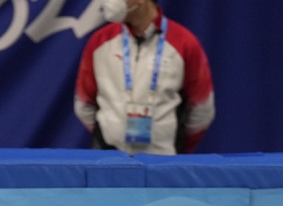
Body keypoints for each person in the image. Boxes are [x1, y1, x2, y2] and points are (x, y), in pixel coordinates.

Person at [74, 0, 214, 155]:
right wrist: (110, 132)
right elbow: (84, 104)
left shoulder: (184, 43)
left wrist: (176, 146)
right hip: (108, 157)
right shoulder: (99, 41)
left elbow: (202, 110)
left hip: (163, 160)